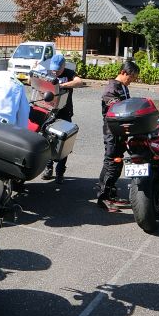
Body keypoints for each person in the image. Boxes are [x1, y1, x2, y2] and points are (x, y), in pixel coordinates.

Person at [97, 60, 140, 211]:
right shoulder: (111, 89)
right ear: (123, 72)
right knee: (111, 163)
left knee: (117, 162)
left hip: (121, 131)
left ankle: (111, 194)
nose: (131, 81)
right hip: (112, 131)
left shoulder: (123, 87)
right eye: (131, 77)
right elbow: (117, 108)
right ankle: (103, 198)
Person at [35, 53, 85, 184]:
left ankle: (60, 172)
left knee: (63, 143)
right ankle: (48, 168)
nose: (55, 72)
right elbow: (33, 82)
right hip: (50, 112)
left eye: (58, 70)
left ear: (63, 66)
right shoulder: (48, 73)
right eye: (53, 69)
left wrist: (61, 86)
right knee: (47, 141)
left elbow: (79, 82)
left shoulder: (69, 73)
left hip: (65, 113)